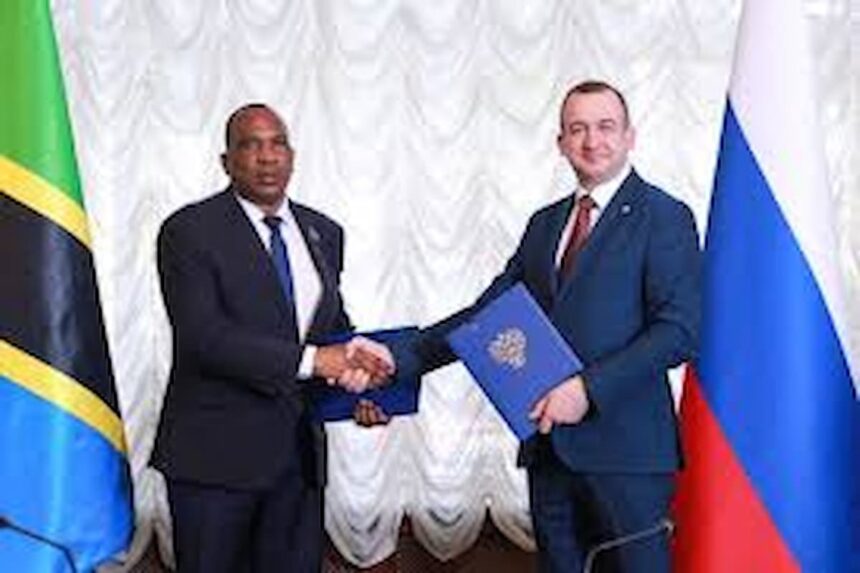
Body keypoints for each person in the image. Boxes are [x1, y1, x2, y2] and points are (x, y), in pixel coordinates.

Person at [387, 80, 701, 572]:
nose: (592, 141)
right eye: (578, 129)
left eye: (605, 127)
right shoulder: (545, 224)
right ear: (560, 142)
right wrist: (398, 359)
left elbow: (679, 331)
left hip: (628, 458)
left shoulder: (664, 216)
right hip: (549, 454)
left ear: (630, 136)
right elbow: (486, 317)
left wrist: (586, 390)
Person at [151, 103, 392, 573]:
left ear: (292, 156)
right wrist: (316, 361)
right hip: (215, 465)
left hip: (297, 466)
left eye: (277, 144)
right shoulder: (188, 231)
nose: (267, 157)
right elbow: (205, 337)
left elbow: (332, 330)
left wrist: (362, 389)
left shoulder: (324, 231)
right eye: (251, 145)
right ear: (226, 161)